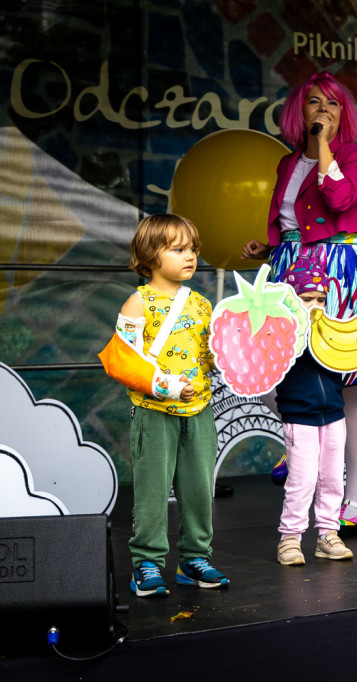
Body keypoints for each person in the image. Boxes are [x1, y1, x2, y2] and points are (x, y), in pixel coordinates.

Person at [242, 71, 357, 535]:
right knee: (275, 374)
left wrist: (325, 150)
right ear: (300, 112)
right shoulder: (287, 164)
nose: (324, 111)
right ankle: (300, 444)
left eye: (332, 104)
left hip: (342, 273)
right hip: (291, 271)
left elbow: (339, 198)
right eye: (314, 103)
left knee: (344, 386)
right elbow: (292, 223)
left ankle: (356, 499)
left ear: (343, 115)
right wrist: (268, 250)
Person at [112, 214, 228, 597]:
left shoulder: (201, 304)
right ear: (150, 254)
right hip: (153, 412)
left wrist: (239, 353)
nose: (190, 256)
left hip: (199, 412)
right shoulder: (136, 303)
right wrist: (166, 386)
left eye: (193, 249)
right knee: (151, 491)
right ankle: (146, 563)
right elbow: (122, 361)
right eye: (178, 250)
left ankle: (195, 559)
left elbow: (211, 357)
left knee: (198, 489)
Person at [274, 259, 353, 565]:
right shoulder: (284, 339)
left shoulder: (331, 335)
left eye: (321, 299)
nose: (315, 305)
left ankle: (328, 534)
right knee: (302, 479)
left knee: (333, 478)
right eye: (307, 299)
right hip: (299, 416)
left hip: (335, 414)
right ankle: (290, 538)